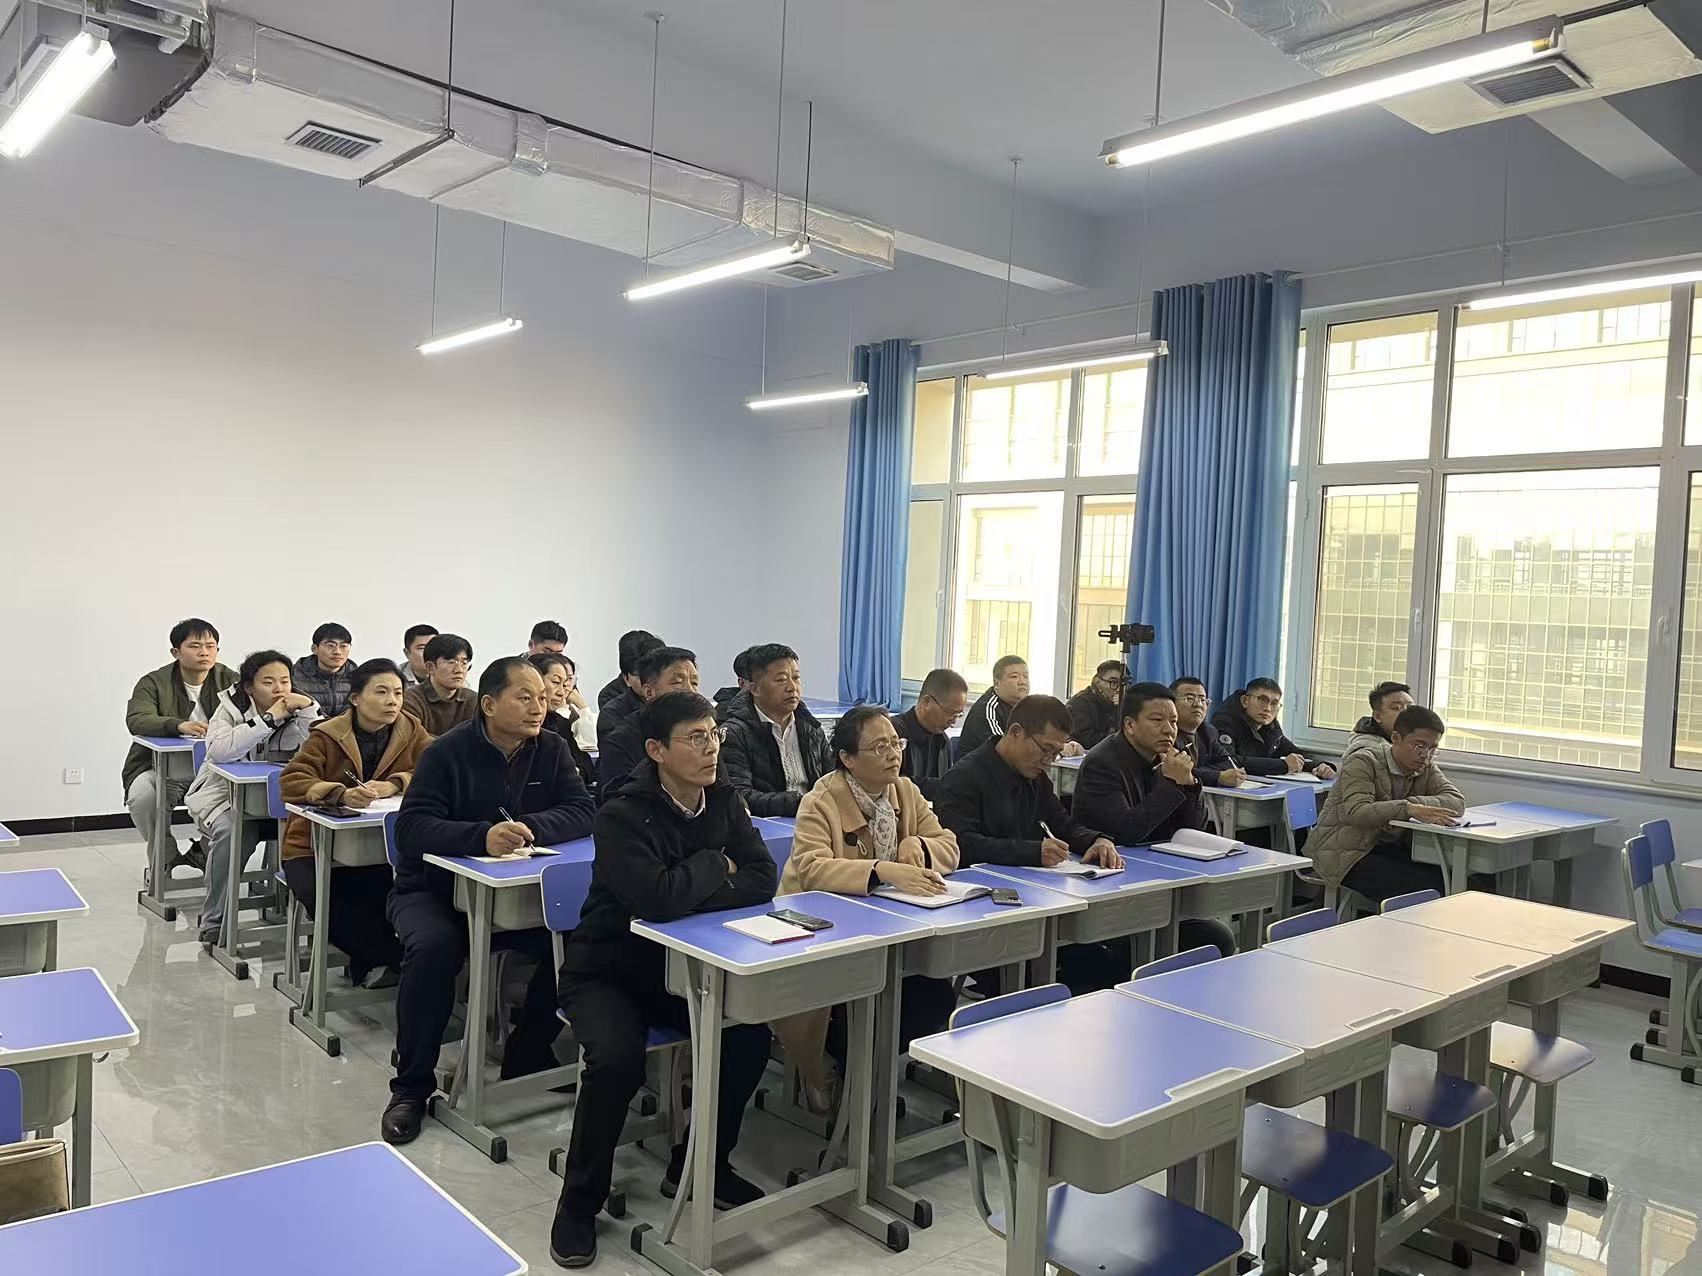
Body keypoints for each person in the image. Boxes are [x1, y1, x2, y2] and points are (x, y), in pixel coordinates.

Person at [549, 692, 776, 1267]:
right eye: (696, 738)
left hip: (686, 970)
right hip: (608, 972)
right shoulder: (622, 814)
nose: (711, 748)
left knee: (748, 1035)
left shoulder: (724, 799)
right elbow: (655, 899)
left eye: (714, 734)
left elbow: (762, 878)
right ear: (656, 750)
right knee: (616, 1061)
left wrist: (688, 883)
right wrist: (715, 864)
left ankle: (699, 1165)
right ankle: (578, 1203)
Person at [383, 657, 595, 1145]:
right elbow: (411, 828)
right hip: (432, 890)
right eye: (525, 697)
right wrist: (482, 836)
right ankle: (411, 1087)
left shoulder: (551, 747)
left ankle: (529, 1049)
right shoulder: (446, 752)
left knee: (584, 938)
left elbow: (583, 809)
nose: (539, 707)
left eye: (542, 697)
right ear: (489, 704)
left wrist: (529, 828)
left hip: (519, 893)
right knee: (434, 950)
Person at [773, 707, 961, 1114]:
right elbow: (812, 868)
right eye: (879, 747)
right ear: (847, 758)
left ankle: (868, 1070)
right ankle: (828, 1068)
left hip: (890, 928)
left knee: (933, 1000)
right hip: (821, 933)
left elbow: (949, 845)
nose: (893, 754)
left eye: (896, 743)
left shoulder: (905, 791)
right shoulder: (820, 800)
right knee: (854, 1000)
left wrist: (919, 845)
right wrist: (879, 870)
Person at [936, 695, 1123, 991]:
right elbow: (960, 846)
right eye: (1045, 749)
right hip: (982, 910)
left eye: (1056, 753)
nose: (1049, 760)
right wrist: (1032, 852)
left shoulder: (1036, 778)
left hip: (1034, 900)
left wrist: (1097, 839)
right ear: (1015, 732)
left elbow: (1062, 823)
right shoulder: (965, 777)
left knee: (1104, 962)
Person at [279, 659, 422, 990]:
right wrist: (339, 793)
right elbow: (291, 780)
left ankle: (374, 963)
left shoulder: (411, 730)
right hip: (310, 846)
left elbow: (437, 769)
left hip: (378, 845)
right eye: (381, 692)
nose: (392, 701)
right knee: (326, 899)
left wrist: (396, 783)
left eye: (398, 693)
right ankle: (400, 961)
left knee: (388, 893)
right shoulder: (328, 735)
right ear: (355, 698)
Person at [1073, 682, 1238, 955]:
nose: (1169, 729)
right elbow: (1126, 832)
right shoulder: (1103, 763)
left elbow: (1192, 830)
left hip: (1157, 877)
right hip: (1111, 887)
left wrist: (1189, 784)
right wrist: (1171, 784)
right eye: (1157, 720)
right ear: (1130, 725)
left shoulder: (1169, 755)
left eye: (1173, 721)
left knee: (1219, 938)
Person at [184, 650, 319, 944]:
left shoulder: (301, 707)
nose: (279, 689)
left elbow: (323, 746)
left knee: (318, 834)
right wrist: (268, 719)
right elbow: (219, 750)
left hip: (283, 801)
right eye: (268, 682)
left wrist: (310, 710)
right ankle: (215, 919)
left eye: (285, 681)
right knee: (233, 831)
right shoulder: (229, 708)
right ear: (249, 687)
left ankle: (314, 919)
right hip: (225, 797)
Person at [1306, 705, 1465, 903]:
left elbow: (1456, 801)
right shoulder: (1363, 761)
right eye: (1419, 746)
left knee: (1452, 878)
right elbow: (1357, 811)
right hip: (1344, 851)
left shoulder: (1425, 768)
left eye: (1433, 749)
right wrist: (1407, 809)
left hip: (1385, 847)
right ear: (1396, 738)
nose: (1426, 755)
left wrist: (1413, 805)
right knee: (1427, 887)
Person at [123, 618, 237, 879]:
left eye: (210, 646)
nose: (204, 652)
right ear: (176, 652)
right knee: (142, 795)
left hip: (216, 770)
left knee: (234, 803)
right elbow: (137, 719)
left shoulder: (230, 680)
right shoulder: (154, 682)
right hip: (162, 768)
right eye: (195, 646)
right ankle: (164, 856)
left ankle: (205, 853)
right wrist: (177, 725)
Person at [719, 643, 832, 817]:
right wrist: (799, 803)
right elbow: (740, 796)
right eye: (781, 680)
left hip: (816, 818)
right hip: (768, 824)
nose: (792, 687)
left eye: (796, 677)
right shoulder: (735, 733)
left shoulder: (811, 727)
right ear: (754, 689)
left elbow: (833, 780)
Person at [597, 645, 701, 799]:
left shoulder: (703, 734)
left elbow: (723, 791)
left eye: (694, 683)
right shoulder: (621, 739)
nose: (691, 692)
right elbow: (619, 800)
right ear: (649, 692)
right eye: (678, 683)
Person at [1209, 678, 1336, 780]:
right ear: (1245, 701)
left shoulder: (1271, 727)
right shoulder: (1224, 721)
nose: (1268, 708)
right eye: (1262, 700)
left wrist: (1320, 765)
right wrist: (1283, 766)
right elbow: (1229, 761)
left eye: (1274, 703)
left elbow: (1295, 754)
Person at [895, 668, 968, 801]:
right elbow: (888, 785)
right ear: (926, 702)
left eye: (958, 715)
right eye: (950, 713)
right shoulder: (893, 734)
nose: (953, 722)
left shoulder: (943, 741)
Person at [530, 651, 598, 792]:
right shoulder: (522, 724)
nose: (561, 692)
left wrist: (575, 773)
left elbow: (587, 765)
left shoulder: (559, 721)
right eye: (555, 682)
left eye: (565, 684)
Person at [1170, 676, 1246, 789]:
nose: (1198, 704)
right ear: (1171, 703)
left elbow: (1229, 762)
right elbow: (1172, 771)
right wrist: (1217, 777)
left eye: (1202, 700)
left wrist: (1197, 771)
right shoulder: (1166, 732)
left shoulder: (1208, 731)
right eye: (1189, 698)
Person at [402, 633, 476, 735]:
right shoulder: (411, 700)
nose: (459, 670)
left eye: (464, 663)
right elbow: (415, 740)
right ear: (430, 667)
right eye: (451, 662)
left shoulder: (474, 700)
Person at [292, 623, 355, 718]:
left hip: (348, 726)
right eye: (331, 645)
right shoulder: (295, 675)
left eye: (343, 646)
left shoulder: (358, 676)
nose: (337, 652)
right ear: (314, 649)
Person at [1345, 681, 1415, 761]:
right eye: (1397, 708)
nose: (1406, 713)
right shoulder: (1365, 753)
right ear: (1378, 716)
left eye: (1410, 708)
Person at [596, 629, 663, 711]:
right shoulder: (610, 697)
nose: (650, 680)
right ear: (626, 678)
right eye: (641, 675)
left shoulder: (673, 686)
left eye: (655, 672)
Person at [1066, 660, 1126, 751]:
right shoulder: (1078, 704)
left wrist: (1124, 707)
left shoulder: (1123, 703)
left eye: (1123, 684)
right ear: (1097, 682)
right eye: (1113, 682)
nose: (1118, 689)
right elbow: (1087, 741)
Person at [400, 624, 438, 690]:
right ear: (407, 653)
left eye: (434, 647)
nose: (430, 652)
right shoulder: (395, 677)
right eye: (422, 648)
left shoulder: (450, 673)